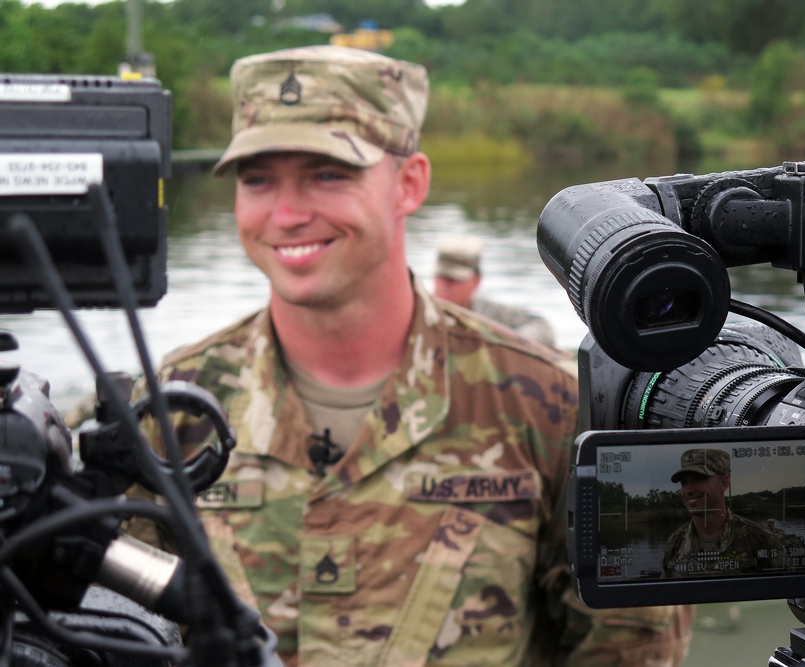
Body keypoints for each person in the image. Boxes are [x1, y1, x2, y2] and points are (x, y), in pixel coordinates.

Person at [130, 45, 693, 666]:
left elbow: (631, 649)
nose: (286, 214)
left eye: (327, 174)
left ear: (410, 183)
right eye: (257, 178)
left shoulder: (554, 408)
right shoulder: (168, 410)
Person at [661, 448, 785, 578]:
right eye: (684, 483)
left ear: (724, 482)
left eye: (698, 479)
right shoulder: (675, 542)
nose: (688, 490)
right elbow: (664, 594)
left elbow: (788, 592)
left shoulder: (760, 539)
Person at [433, 234, 558, 348]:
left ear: (477, 281)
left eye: (455, 279)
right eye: (442, 276)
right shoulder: (420, 310)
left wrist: (507, 344)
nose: (446, 284)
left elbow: (542, 327)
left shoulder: (491, 312)